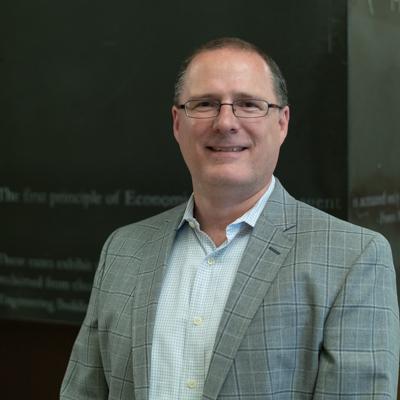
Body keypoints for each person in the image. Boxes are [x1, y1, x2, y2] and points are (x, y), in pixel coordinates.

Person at [60, 37, 400, 399]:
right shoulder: (123, 250)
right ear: (177, 123)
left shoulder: (354, 257)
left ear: (282, 123)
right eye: (205, 104)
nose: (225, 122)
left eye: (249, 104)